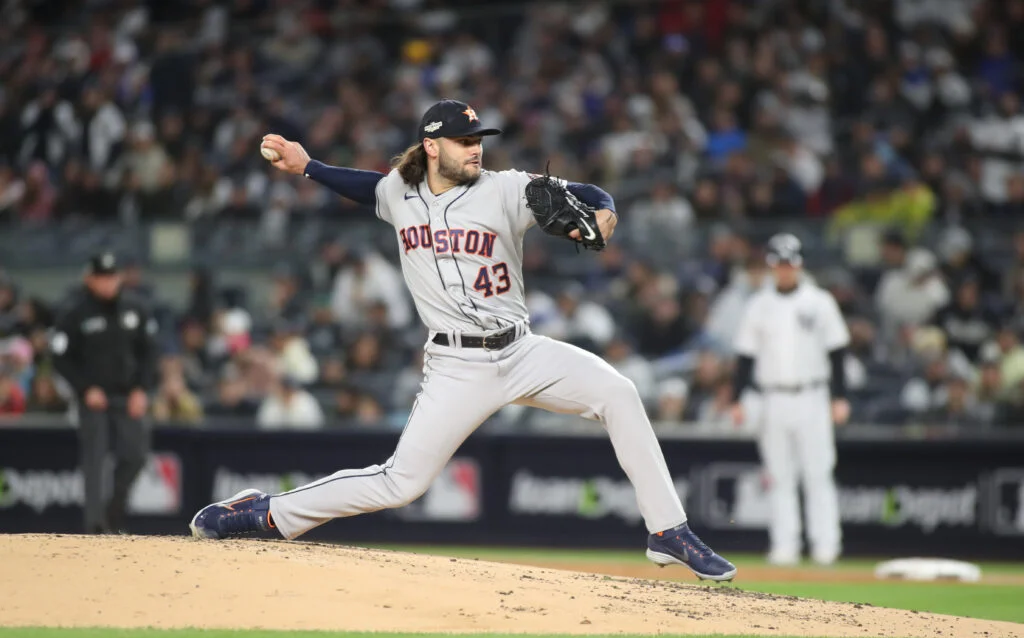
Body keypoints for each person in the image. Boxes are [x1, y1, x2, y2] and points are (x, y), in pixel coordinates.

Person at [190, 99, 736, 581]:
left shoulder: (505, 188)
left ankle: (667, 532)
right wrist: (308, 167)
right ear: (432, 146)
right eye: (464, 141)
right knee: (400, 484)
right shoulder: (399, 193)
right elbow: (365, 187)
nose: (476, 149)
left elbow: (590, 192)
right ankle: (264, 512)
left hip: (522, 351)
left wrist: (605, 211)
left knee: (618, 392)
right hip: (456, 366)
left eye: (478, 140)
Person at [729, 234, 850, 566]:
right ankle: (785, 546)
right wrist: (738, 399)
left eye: (789, 263)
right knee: (779, 476)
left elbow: (837, 351)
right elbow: (745, 358)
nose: (784, 270)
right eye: (779, 264)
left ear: (799, 264)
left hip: (813, 394)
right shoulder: (758, 304)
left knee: (818, 473)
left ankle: (826, 546)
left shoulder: (819, 301)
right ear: (771, 266)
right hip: (773, 397)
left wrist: (840, 397)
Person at [51, 252, 158, 533]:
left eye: (111, 277)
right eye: (101, 278)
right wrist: (84, 388)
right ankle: (95, 527)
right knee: (94, 461)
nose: (107, 283)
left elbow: (149, 353)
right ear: (89, 279)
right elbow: (60, 356)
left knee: (136, 455)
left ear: (119, 277)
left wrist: (142, 389)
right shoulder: (75, 313)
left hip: (128, 395)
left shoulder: (136, 309)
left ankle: (113, 514)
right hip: (94, 399)